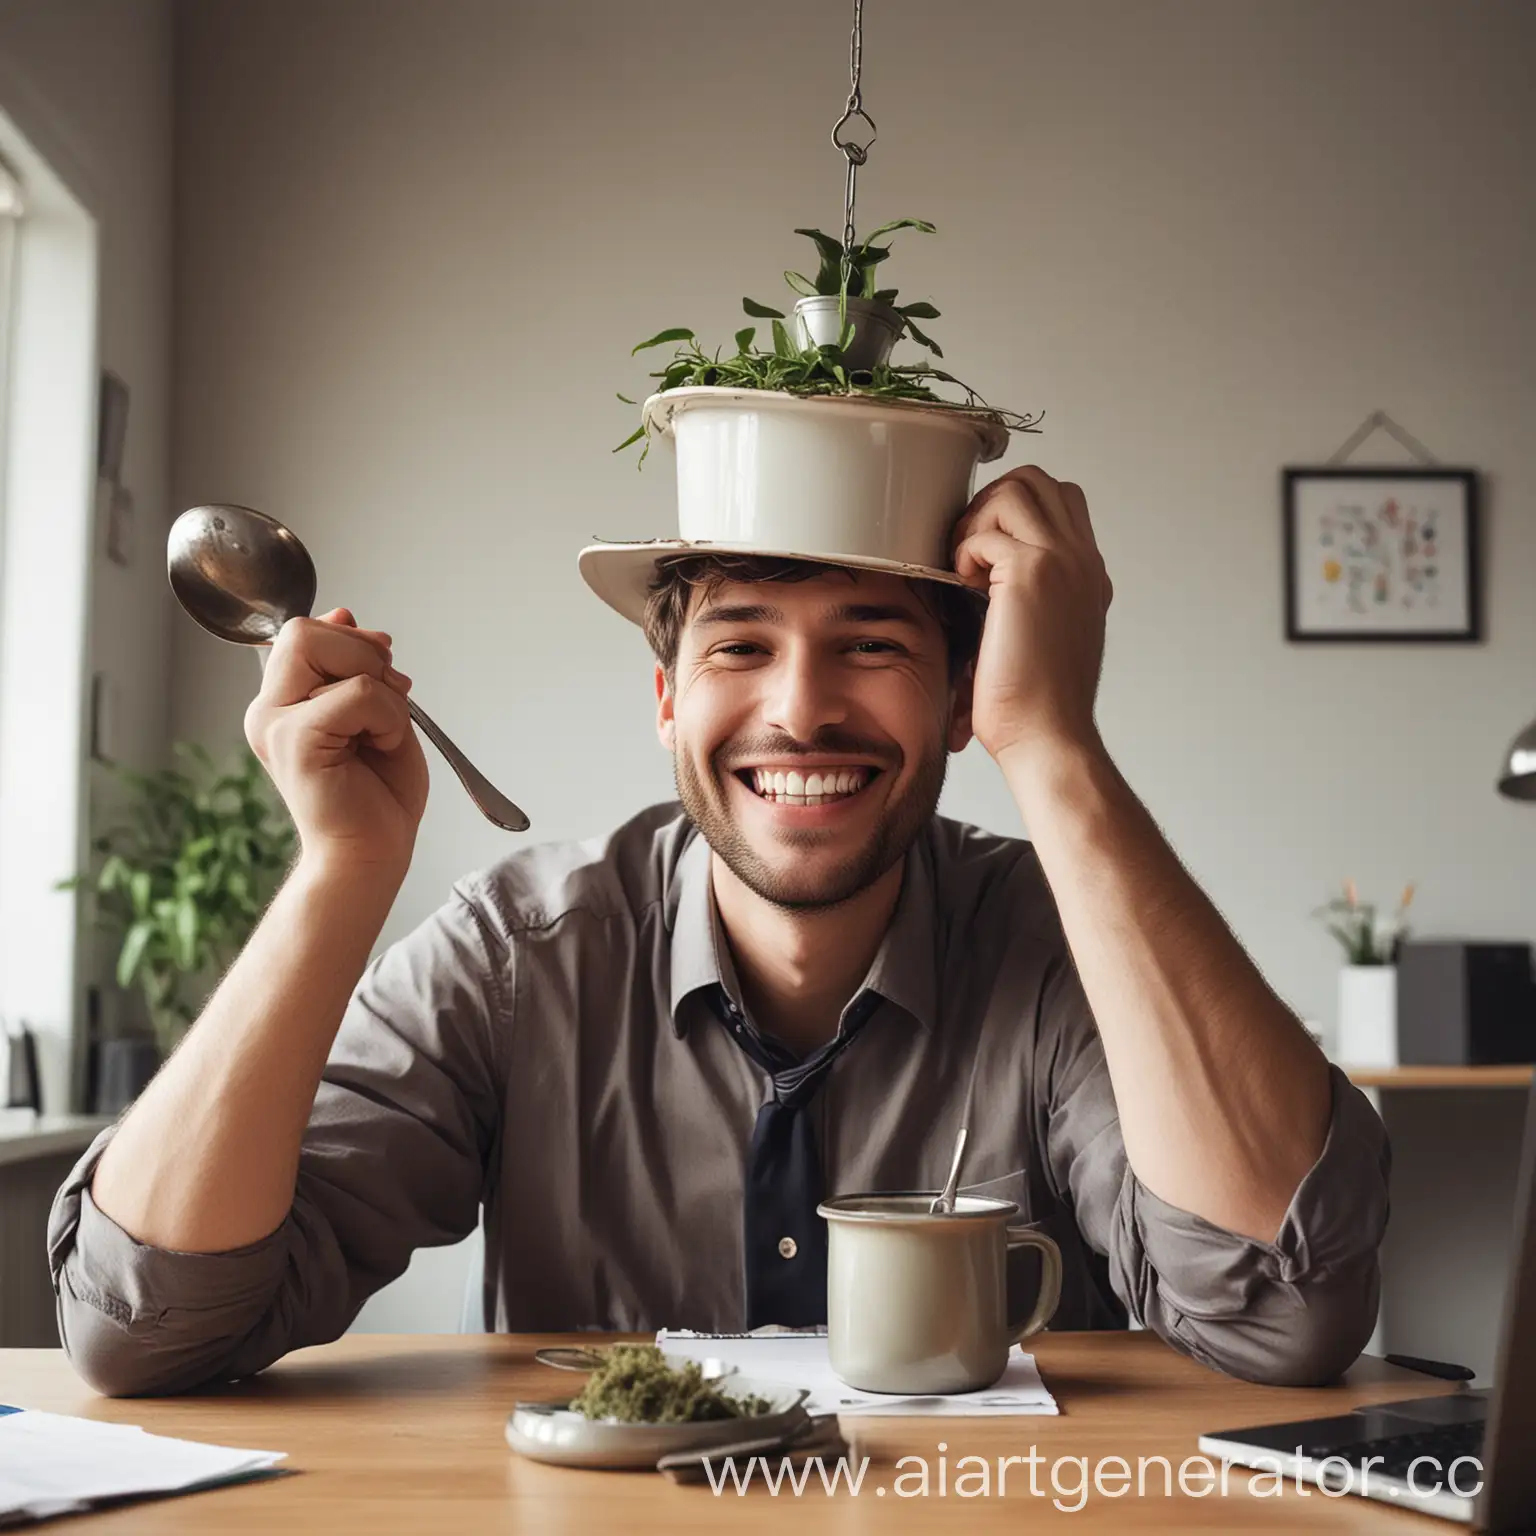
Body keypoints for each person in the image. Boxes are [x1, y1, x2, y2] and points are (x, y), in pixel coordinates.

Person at [49, 465, 1388, 1397]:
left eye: (871, 645)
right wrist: (342, 868)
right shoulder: (519, 954)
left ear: (960, 697)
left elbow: (1282, 1311)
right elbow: (143, 1328)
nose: (800, 710)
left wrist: (1058, 746)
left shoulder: (1063, 946)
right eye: (741, 647)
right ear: (668, 702)